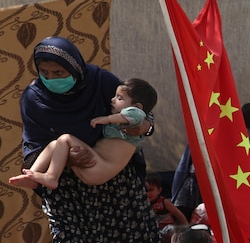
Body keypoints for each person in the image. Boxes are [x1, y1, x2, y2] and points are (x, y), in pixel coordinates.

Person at [17, 36, 158, 243]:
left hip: (117, 188)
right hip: (68, 193)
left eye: (59, 71)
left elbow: (140, 114)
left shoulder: (102, 82)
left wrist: (144, 127)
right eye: (45, 72)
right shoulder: (34, 98)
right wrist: (66, 161)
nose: (53, 78)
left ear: (75, 67)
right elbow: (33, 147)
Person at [11, 78, 157, 190]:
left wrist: (105, 119)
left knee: (65, 138)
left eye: (119, 98)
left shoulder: (135, 116)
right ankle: (31, 175)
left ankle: (51, 176)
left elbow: (133, 116)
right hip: (95, 167)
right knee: (55, 144)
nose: (112, 100)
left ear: (137, 106)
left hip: (99, 167)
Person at [145, 172, 188, 243]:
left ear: (159, 190)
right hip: (154, 232)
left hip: (167, 230)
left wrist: (186, 226)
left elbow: (177, 213)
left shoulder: (164, 202)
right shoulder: (144, 204)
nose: (148, 194)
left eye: (151, 190)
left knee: (173, 230)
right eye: (146, 191)